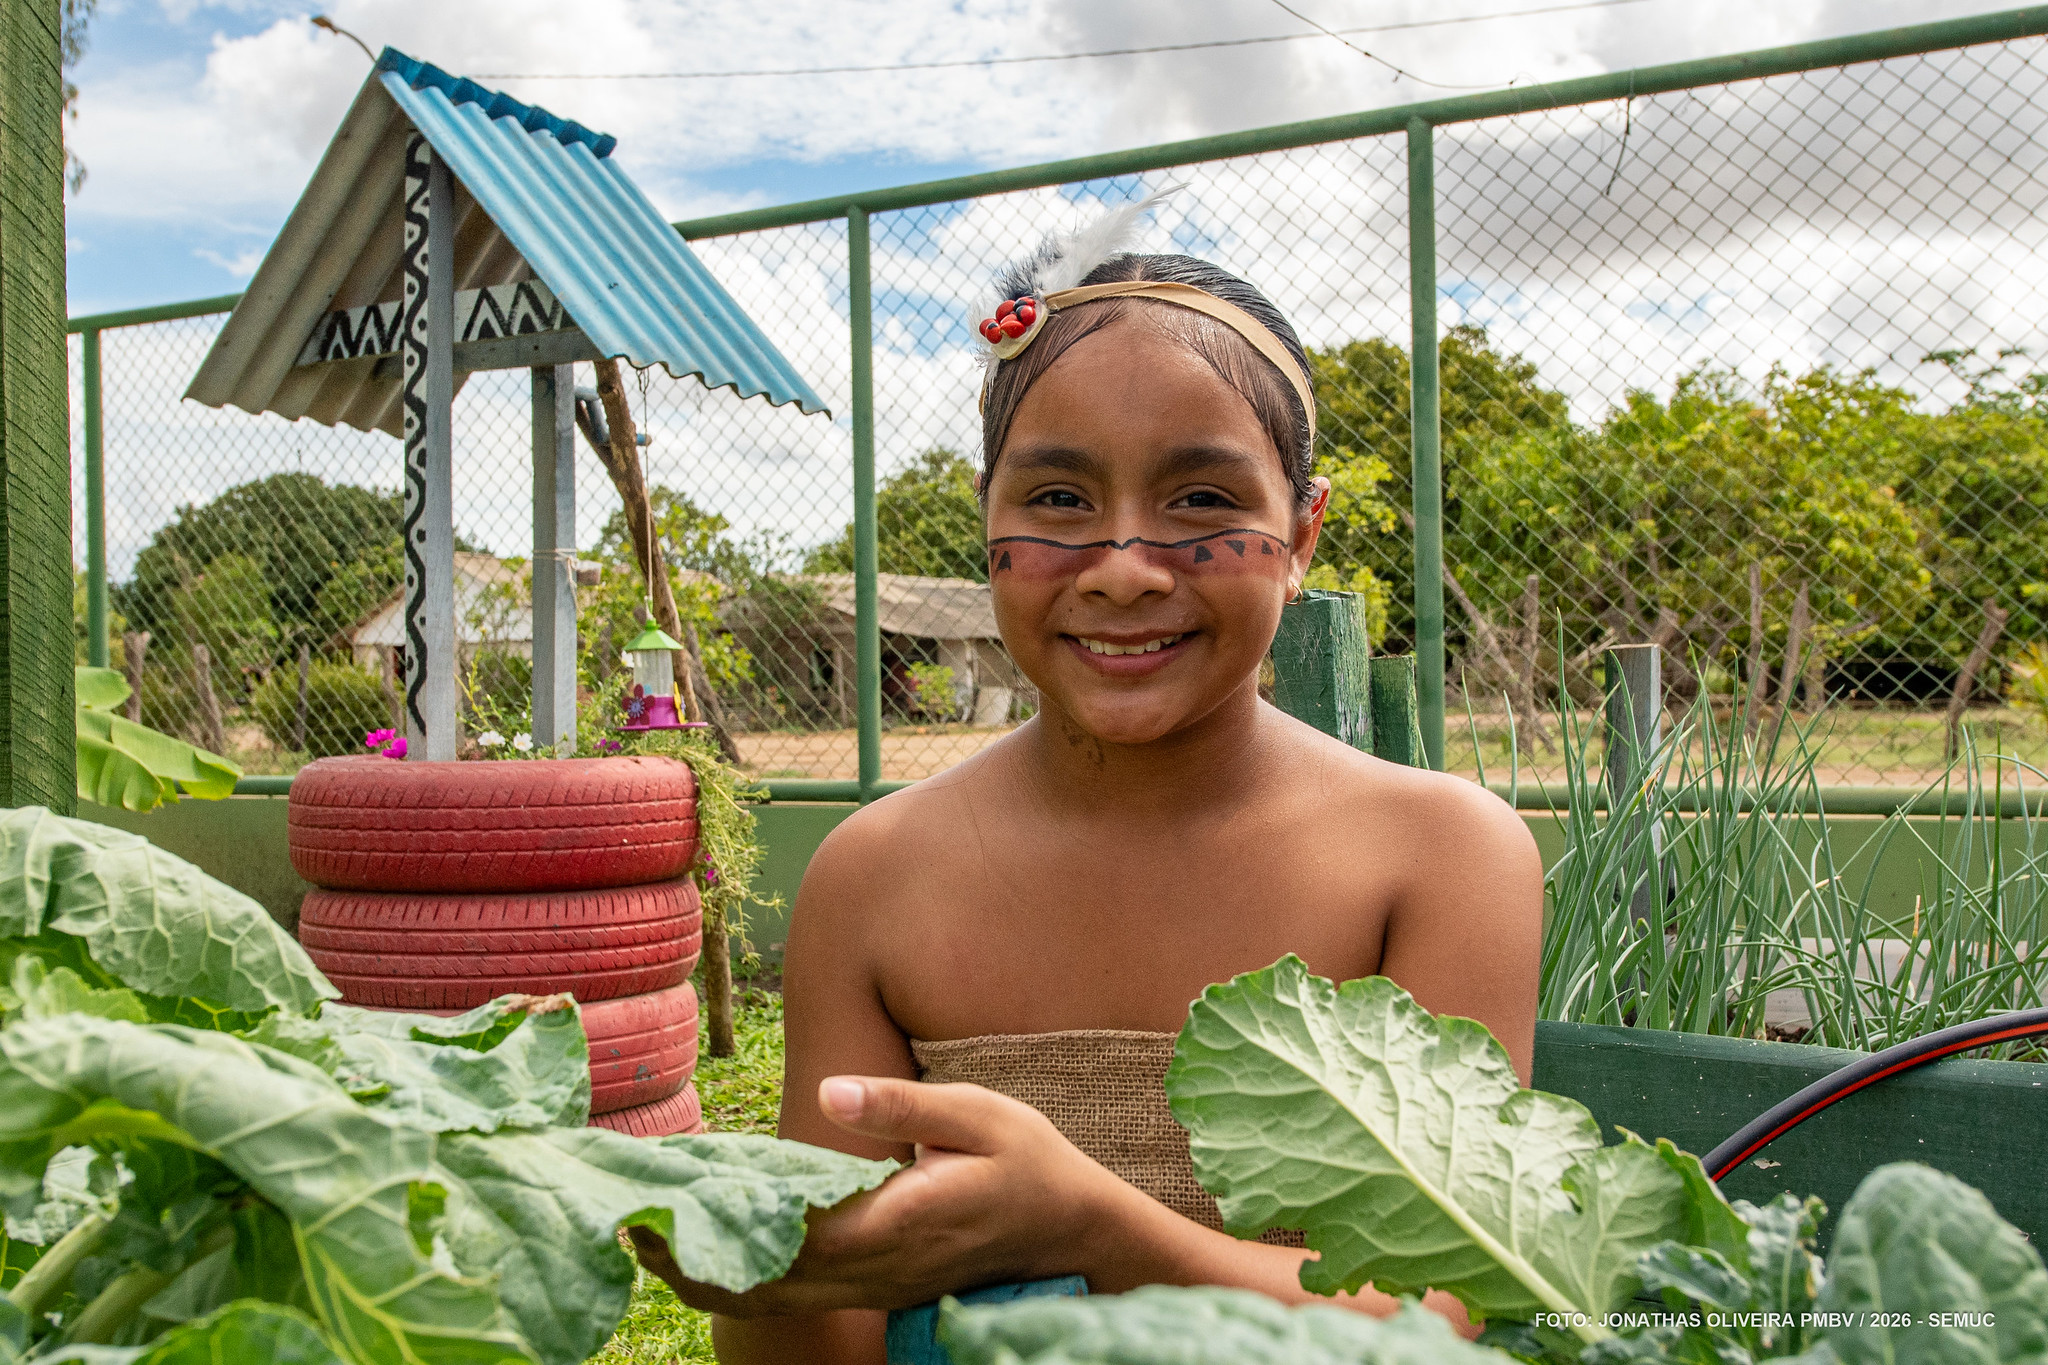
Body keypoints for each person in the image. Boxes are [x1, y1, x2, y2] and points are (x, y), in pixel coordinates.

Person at [632, 202, 1544, 1363]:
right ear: (986, 522)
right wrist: (757, 1270)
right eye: (1057, 502)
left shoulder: (1436, 859)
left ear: (1302, 532)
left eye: (1203, 502)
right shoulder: (874, 876)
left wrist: (1093, 1227)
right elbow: (822, 1337)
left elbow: (1437, 1317)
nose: (1120, 571)